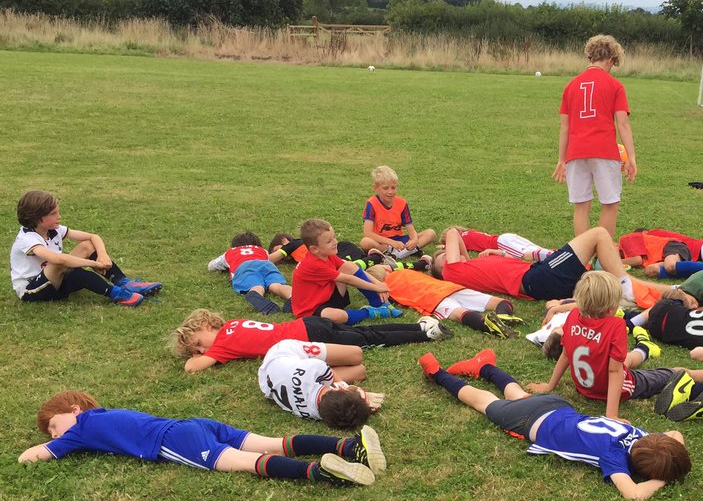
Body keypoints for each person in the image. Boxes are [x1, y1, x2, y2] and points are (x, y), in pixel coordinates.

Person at [419, 351, 690, 501]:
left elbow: (675, 435)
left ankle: (485, 366)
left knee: (517, 396)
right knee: (484, 402)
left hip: (557, 405)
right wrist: (662, 478)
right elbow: (633, 494)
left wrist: (669, 455)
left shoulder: (639, 435)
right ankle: (437, 373)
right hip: (532, 421)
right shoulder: (614, 457)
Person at [525, 271, 703, 420]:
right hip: (614, 387)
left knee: (626, 360)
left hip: (585, 387)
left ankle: (644, 349)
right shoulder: (615, 326)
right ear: (610, 305)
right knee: (675, 373)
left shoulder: (573, 317)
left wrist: (550, 385)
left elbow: (567, 353)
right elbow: (614, 372)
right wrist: (611, 415)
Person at [19, 390, 382, 486]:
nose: (55, 434)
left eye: (54, 425)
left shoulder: (78, 430)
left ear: (73, 411)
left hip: (178, 440)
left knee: (246, 463)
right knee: (273, 442)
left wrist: (49, 442)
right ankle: (348, 446)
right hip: (196, 424)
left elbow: (31, 457)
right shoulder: (101, 415)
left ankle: (320, 473)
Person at [170, 309, 444, 374]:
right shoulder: (232, 325)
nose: (202, 350)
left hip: (309, 337)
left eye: (198, 342)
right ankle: (420, 324)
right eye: (197, 349)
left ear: (207, 326)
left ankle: (424, 333)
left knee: (366, 340)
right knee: (366, 332)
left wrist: (195, 359)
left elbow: (193, 368)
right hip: (308, 324)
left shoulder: (221, 346)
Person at [11, 190, 161, 306]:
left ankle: (124, 282)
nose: (59, 216)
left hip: (54, 282)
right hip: (32, 291)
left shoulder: (53, 229)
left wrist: (102, 256)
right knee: (64, 266)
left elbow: (93, 237)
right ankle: (116, 294)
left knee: (87, 246)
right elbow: (57, 259)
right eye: (53, 213)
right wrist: (94, 264)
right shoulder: (27, 238)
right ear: (38, 219)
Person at [433, 225, 647, 306]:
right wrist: (458, 254)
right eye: (443, 255)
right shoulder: (453, 272)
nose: (446, 254)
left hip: (538, 278)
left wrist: (494, 254)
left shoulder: (467, 269)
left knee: (601, 274)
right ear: (442, 268)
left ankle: (627, 290)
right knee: (598, 234)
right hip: (538, 278)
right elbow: (453, 232)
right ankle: (625, 286)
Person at [554, 34, 637, 238]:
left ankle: (582, 259)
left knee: (581, 207)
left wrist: (561, 159)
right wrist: (632, 157)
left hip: (575, 152)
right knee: (610, 203)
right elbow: (623, 125)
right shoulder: (615, 86)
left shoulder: (570, 86)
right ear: (610, 59)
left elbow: (564, 128)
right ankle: (603, 255)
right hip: (604, 151)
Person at [365, 263, 524, 338]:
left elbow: (379, 301)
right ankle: (504, 314)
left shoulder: (387, 289)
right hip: (449, 288)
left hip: (431, 300)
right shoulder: (406, 272)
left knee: (460, 314)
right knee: (499, 301)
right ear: (386, 269)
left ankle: (488, 325)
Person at [290, 218, 400, 324]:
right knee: (336, 316)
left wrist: (379, 283)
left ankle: (380, 303)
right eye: (329, 241)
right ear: (314, 249)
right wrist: (376, 287)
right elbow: (348, 279)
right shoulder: (313, 264)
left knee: (349, 266)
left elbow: (353, 269)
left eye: (334, 237)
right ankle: (370, 313)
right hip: (312, 310)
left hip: (328, 296)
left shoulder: (326, 254)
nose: (335, 242)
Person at [258, 339, 382, 429]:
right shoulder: (313, 413)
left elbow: (335, 379)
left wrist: (356, 395)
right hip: (267, 380)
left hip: (282, 352)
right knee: (359, 368)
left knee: (356, 356)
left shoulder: (314, 368)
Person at [359, 165, 436, 261]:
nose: (390, 191)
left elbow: (410, 228)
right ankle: (406, 252)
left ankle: (397, 254)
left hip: (400, 240)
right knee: (365, 242)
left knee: (430, 233)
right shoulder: (372, 203)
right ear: (376, 188)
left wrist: (414, 240)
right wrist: (391, 243)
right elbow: (368, 233)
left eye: (393, 187)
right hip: (382, 242)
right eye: (385, 188)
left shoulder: (402, 203)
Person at [206, 231, 293, 315]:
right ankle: (292, 296)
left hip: (244, 267)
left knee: (256, 285)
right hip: (266, 264)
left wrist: (225, 267)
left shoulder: (230, 252)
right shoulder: (263, 251)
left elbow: (211, 266)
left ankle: (255, 294)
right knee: (276, 285)